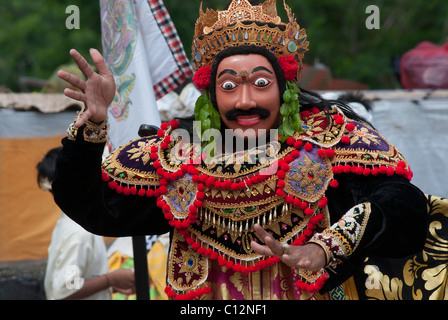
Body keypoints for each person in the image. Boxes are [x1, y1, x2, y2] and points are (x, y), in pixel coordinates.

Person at [52, 0, 427, 300]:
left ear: (284, 90)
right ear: (212, 96)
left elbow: (404, 205)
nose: (245, 101)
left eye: (260, 83)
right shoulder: (178, 153)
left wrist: (326, 248)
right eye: (229, 86)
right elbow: (95, 206)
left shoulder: (329, 139)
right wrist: (94, 123)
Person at [38, 147, 136, 300]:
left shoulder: (73, 222)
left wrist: (108, 284)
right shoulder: (79, 232)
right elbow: (66, 287)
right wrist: (110, 279)